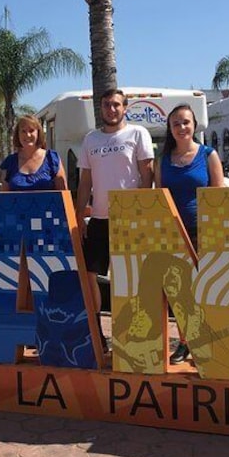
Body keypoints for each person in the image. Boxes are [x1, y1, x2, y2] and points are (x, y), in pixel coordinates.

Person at [74, 89, 155, 351]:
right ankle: (97, 332)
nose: (111, 109)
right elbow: (85, 181)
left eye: (116, 105)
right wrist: (78, 214)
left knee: (127, 280)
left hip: (129, 219)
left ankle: (127, 337)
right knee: (89, 276)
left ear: (125, 107)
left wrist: (141, 213)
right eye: (107, 105)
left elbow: (148, 175)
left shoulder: (138, 134)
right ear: (101, 108)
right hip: (98, 219)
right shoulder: (91, 139)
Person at [154, 104, 225, 365]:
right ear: (170, 129)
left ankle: (207, 343)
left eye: (185, 122)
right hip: (173, 232)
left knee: (206, 289)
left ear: (194, 125)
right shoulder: (162, 160)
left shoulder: (208, 155)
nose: (181, 127)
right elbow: (159, 196)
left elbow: (219, 195)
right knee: (181, 292)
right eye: (176, 124)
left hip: (203, 231)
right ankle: (185, 342)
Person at [0, 115, 67, 191]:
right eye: (23, 131)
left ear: (38, 133)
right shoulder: (9, 162)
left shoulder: (52, 159)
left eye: (31, 131)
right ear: (18, 134)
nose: (27, 135)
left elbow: (64, 194)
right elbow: (3, 197)